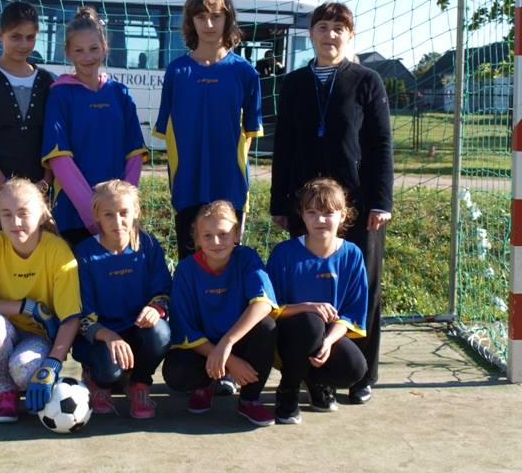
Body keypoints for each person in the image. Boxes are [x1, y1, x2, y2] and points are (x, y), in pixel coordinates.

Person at [270, 1, 393, 405]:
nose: (330, 35)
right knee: (306, 289)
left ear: (350, 35)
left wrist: (381, 201)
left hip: (357, 202)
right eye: (322, 27)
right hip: (306, 205)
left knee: (363, 285)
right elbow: (284, 145)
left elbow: (381, 144)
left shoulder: (367, 80)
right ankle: (312, 375)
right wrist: (280, 202)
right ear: (311, 34)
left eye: (338, 28)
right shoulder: (293, 83)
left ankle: (363, 374)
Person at [153, 0, 262, 261]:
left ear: (228, 19)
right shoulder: (177, 71)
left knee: (227, 263)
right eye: (201, 17)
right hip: (187, 186)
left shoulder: (245, 72)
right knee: (190, 263)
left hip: (230, 186)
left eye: (216, 16)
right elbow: (168, 132)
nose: (209, 24)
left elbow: (249, 133)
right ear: (191, 21)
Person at [0, 177, 81, 423]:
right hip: (7, 329)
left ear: (42, 214)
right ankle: (5, 391)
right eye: (6, 214)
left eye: (23, 213)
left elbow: (71, 318)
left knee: (24, 372)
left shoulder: (58, 251)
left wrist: (52, 364)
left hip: (39, 337)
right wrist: (26, 307)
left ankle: (20, 378)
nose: (15, 222)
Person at [162, 201, 278, 427]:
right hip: (204, 348)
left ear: (236, 234)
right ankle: (205, 385)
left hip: (238, 342)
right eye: (207, 236)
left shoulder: (247, 258)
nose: (216, 242)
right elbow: (185, 327)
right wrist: (229, 360)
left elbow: (263, 304)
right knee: (176, 372)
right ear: (197, 239)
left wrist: (227, 343)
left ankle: (250, 400)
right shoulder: (186, 269)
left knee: (266, 327)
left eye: (223, 234)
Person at [42, 6, 148, 247]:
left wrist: (124, 206)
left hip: (117, 217)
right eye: (78, 50)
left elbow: (134, 154)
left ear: (104, 47)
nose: (87, 57)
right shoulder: (60, 95)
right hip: (74, 214)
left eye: (93, 48)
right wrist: (93, 214)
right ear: (67, 52)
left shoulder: (120, 93)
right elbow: (59, 159)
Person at [266, 178, 368, 425]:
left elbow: (352, 312)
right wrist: (307, 307)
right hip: (288, 339)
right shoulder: (284, 253)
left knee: (355, 368)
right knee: (311, 323)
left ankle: (315, 381)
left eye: (328, 213)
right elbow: (269, 309)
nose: (320, 219)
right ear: (302, 216)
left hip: (325, 336)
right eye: (311, 212)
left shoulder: (352, 255)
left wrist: (329, 342)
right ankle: (288, 390)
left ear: (343, 216)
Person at [73, 180, 172, 419]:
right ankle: (98, 381)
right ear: (96, 215)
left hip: (137, 330)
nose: (117, 221)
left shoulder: (148, 245)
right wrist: (108, 336)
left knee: (161, 332)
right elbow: (81, 312)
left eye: (124, 213)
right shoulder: (84, 253)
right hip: (101, 334)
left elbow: (164, 292)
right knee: (109, 372)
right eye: (108, 214)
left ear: (136, 211)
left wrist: (156, 308)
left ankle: (140, 384)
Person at [0, 1, 56, 250]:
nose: (23, 44)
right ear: (0, 35)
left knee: (35, 260)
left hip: (38, 192)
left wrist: (45, 183)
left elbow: (53, 139)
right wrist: (2, 185)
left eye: (30, 37)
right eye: (16, 36)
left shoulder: (47, 81)